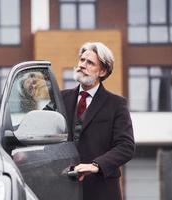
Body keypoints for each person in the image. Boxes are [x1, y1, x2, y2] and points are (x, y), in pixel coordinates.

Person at [62, 42, 135, 200]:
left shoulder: (116, 104)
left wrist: (95, 166)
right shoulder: (60, 98)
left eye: (90, 63)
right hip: (64, 188)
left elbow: (126, 146)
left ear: (102, 71)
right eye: (82, 60)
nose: (82, 65)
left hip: (101, 191)